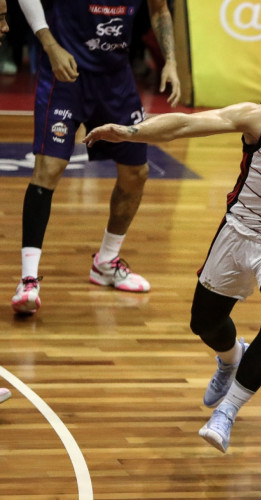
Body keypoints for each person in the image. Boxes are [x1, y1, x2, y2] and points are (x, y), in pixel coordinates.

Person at [83, 41, 261, 454]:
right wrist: (130, 132)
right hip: (239, 233)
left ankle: (228, 412)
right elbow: (186, 125)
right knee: (204, 322)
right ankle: (230, 357)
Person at [11, 0, 181, 315]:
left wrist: (170, 60)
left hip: (116, 80)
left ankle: (105, 262)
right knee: (49, 168)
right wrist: (49, 45)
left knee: (136, 173)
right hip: (65, 73)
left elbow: (159, 10)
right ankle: (28, 279)